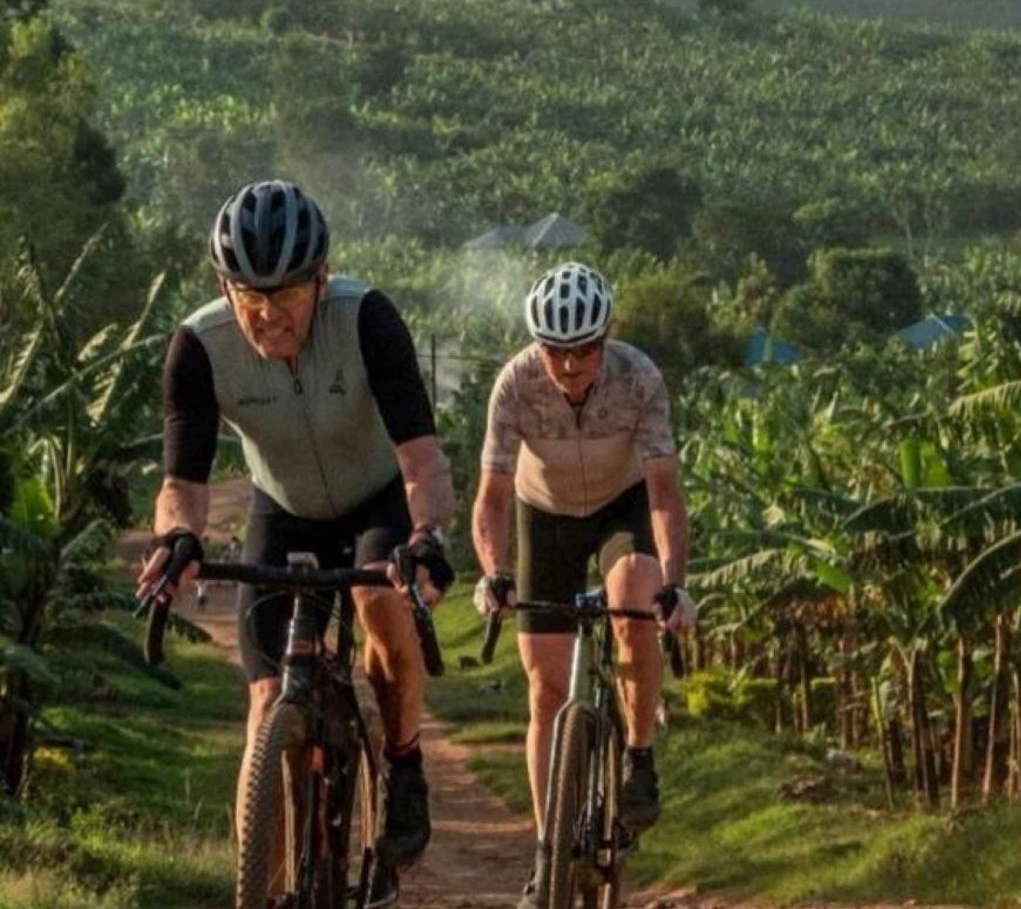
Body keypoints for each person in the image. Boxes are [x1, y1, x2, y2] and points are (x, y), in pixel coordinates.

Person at [135, 180, 455, 905]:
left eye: (287, 295)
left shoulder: (368, 318)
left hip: (376, 497)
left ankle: (403, 762)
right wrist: (178, 535)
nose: (269, 314)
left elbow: (424, 463)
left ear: (322, 277)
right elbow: (181, 479)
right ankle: (265, 889)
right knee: (264, 708)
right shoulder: (198, 345)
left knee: (380, 600)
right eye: (250, 296)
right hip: (281, 509)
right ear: (225, 285)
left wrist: (428, 536)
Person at [470, 262, 694, 909]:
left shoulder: (638, 378)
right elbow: (489, 499)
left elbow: (664, 496)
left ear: (606, 338)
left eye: (584, 350)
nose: (570, 367)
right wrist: (494, 571)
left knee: (634, 596)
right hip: (544, 513)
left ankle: (639, 754)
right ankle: (548, 850)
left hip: (620, 508)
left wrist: (673, 586)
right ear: (538, 345)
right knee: (543, 688)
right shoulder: (514, 383)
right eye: (557, 351)